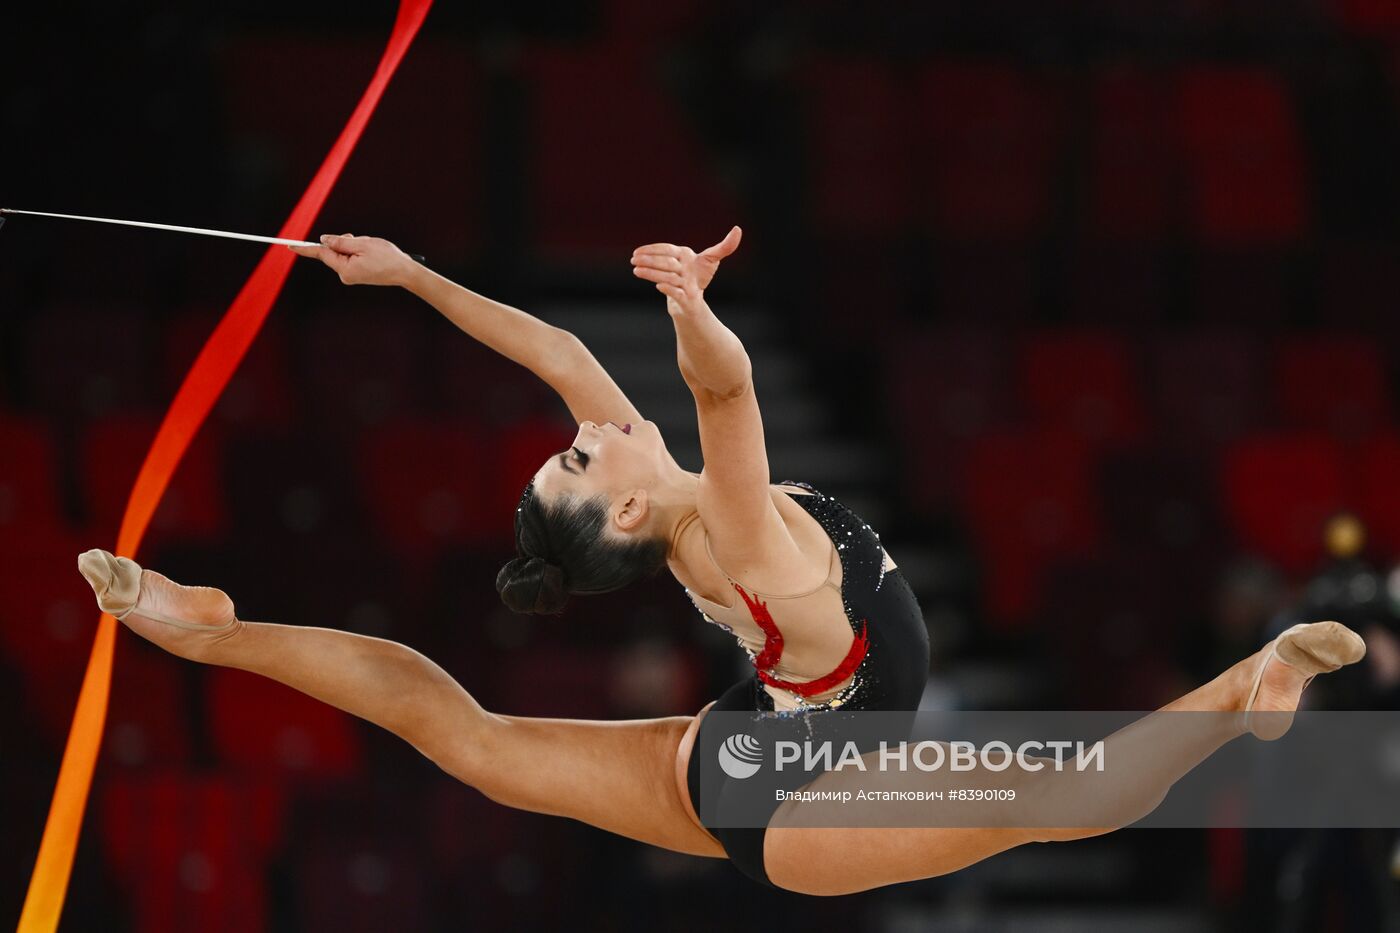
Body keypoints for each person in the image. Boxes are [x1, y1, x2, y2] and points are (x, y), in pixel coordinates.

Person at [76, 229, 1367, 895]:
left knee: (458, 730)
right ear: (629, 516)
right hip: (809, 793)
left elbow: (551, 356)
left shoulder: (658, 497)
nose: (582, 434)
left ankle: (207, 630)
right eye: (580, 464)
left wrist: (412, 278)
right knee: (1067, 794)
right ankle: (1250, 680)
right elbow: (733, 397)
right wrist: (694, 310)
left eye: (570, 450)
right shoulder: (731, 531)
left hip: (752, 742)